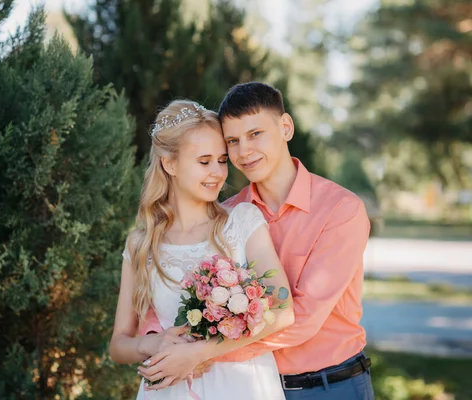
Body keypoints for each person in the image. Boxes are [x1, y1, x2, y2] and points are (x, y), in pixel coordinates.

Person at [138, 83, 375, 399]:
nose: (244, 151)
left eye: (255, 134)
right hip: (254, 386)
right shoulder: (228, 216)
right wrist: (159, 340)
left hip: (329, 386)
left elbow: (302, 318)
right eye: (233, 141)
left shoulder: (340, 210)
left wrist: (201, 353)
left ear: (285, 127)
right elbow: (176, 281)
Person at [109, 100, 295, 399]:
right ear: (170, 164)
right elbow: (119, 345)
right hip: (170, 390)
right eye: (204, 161)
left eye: (222, 160)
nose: (218, 173)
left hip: (242, 386)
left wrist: (198, 353)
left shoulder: (242, 222)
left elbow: (283, 310)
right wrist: (152, 345)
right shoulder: (141, 243)